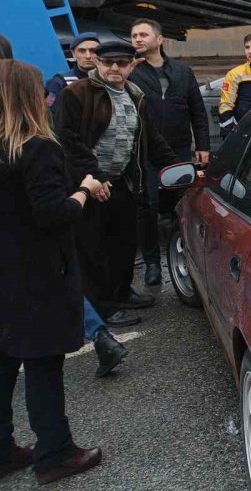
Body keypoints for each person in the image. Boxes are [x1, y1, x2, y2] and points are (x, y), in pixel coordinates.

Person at [0, 59, 103, 484]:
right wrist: (84, 190)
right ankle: (55, 453)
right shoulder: (37, 147)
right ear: (30, 97)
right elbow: (51, 215)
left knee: (4, 363)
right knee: (43, 365)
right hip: (38, 274)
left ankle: (3, 451)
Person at [55, 40, 177, 323]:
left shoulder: (136, 95)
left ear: (130, 65)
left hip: (123, 181)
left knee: (123, 242)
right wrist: (93, 177)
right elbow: (66, 140)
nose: (114, 68)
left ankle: (122, 292)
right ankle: (103, 307)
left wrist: (179, 167)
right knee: (93, 248)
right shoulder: (76, 93)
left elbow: (152, 140)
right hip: (88, 184)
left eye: (121, 63)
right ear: (97, 62)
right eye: (108, 62)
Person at [129, 19, 210, 286]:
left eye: (143, 34)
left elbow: (197, 111)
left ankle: (191, 256)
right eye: (134, 35)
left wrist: (203, 145)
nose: (138, 39)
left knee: (184, 204)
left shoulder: (182, 71)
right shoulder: (132, 72)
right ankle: (153, 264)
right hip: (145, 152)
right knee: (147, 206)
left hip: (178, 149)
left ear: (160, 39)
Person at [44, 32, 101, 112]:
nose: (88, 56)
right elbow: (52, 116)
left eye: (93, 51)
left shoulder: (113, 80)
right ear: (73, 54)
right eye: (82, 51)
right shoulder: (59, 83)